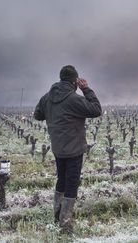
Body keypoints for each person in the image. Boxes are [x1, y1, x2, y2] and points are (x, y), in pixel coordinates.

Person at [34, 65, 102, 234]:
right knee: (72, 183)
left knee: (61, 180)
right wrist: (86, 89)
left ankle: (57, 214)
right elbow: (96, 110)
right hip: (74, 149)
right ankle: (65, 224)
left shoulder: (47, 97)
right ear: (74, 81)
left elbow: (37, 115)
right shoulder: (74, 99)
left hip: (58, 148)